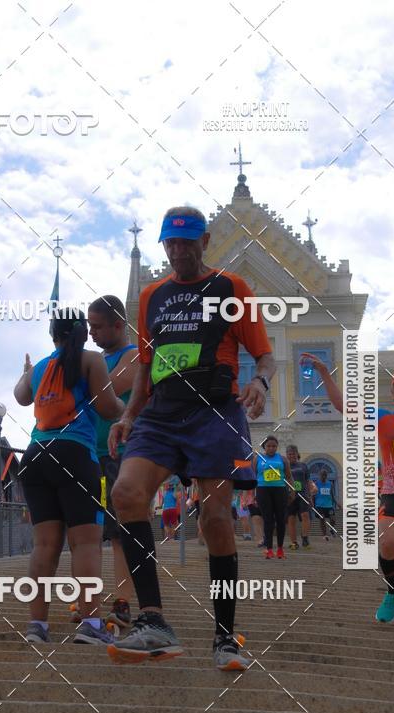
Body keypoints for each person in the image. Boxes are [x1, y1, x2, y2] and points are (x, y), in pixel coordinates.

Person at [107, 205, 276, 670]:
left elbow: (264, 355)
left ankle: (225, 637)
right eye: (172, 243)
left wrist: (260, 383)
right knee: (126, 493)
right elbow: (144, 368)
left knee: (215, 520)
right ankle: (154, 621)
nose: (179, 251)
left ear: (205, 242)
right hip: (160, 413)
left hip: (214, 412)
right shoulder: (152, 297)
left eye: (188, 241)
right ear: (164, 245)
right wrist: (127, 415)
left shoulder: (230, 288)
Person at [302, 353, 394, 638]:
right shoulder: (381, 418)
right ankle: (393, 592)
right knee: (388, 543)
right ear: (392, 392)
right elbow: (341, 405)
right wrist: (324, 373)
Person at [13, 308, 125, 646]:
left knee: (44, 545)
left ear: (52, 334)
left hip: (34, 455)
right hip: (75, 453)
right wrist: (129, 411)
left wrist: (27, 372)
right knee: (86, 543)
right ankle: (91, 625)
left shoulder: (41, 367)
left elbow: (20, 396)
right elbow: (108, 407)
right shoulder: (91, 360)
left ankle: (37, 626)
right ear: (82, 331)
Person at [87, 295, 138, 629]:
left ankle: (124, 601)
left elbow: (105, 390)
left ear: (118, 325)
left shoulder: (132, 356)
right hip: (91, 452)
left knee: (121, 532)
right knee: (90, 530)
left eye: (98, 327)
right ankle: (88, 600)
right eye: (89, 328)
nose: (92, 334)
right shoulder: (96, 360)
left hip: (119, 452)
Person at [254, 436, 293, 559]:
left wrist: (292, 491)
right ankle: (269, 549)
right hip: (263, 490)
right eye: (269, 446)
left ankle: (280, 548)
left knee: (281, 520)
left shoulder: (283, 459)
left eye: (274, 446)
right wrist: (250, 494)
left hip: (280, 490)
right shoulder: (257, 459)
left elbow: (289, 476)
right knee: (268, 520)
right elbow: (252, 477)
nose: (271, 448)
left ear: (277, 447)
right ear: (264, 447)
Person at [286, 445, 315, 549]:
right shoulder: (284, 466)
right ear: (286, 455)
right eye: (289, 454)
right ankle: (294, 542)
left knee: (305, 515)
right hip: (289, 496)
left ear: (296, 454)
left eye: (293, 453)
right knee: (291, 519)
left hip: (303, 494)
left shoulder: (303, 465)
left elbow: (307, 481)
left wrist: (310, 496)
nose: (291, 456)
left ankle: (305, 538)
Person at [313, 468, 338, 541]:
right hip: (319, 506)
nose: (323, 476)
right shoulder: (316, 483)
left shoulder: (330, 483)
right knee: (322, 519)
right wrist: (312, 504)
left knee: (333, 519)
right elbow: (313, 495)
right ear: (319, 475)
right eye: (322, 475)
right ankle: (324, 535)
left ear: (326, 476)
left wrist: (337, 503)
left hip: (329, 505)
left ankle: (331, 529)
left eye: (325, 475)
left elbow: (332, 495)